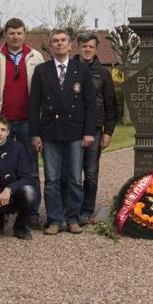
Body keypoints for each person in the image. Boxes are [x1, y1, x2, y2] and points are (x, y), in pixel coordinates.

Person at [28, 29, 96, 235]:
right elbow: (33, 105)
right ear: (50, 46)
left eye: (63, 40)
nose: (59, 44)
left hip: (75, 132)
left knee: (75, 177)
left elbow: (90, 104)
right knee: (51, 179)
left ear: (70, 45)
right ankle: (55, 219)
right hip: (50, 132)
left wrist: (88, 132)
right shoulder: (42, 70)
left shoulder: (80, 70)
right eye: (55, 41)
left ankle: (72, 218)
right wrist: (35, 134)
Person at [0, 17, 45, 225]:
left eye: (19, 33)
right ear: (5, 35)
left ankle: (32, 213)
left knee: (31, 170)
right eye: (11, 33)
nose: (15, 36)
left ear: (25, 34)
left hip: (29, 121)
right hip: (3, 121)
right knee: (1, 169)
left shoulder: (36, 57)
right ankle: (2, 211)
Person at [73, 31, 118, 223]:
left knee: (90, 172)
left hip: (96, 128)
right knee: (72, 172)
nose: (87, 50)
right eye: (84, 46)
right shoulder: (69, 69)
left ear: (95, 48)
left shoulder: (103, 73)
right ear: (79, 47)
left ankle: (87, 209)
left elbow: (111, 105)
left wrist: (108, 131)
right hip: (73, 127)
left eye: (91, 46)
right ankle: (72, 207)